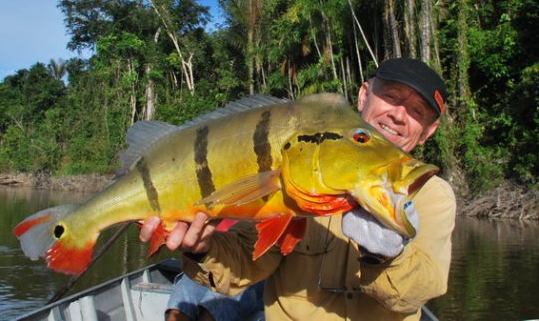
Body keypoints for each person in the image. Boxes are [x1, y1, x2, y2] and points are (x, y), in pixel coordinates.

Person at [141, 58, 456, 320]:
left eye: (417, 112)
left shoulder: (432, 195)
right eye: (392, 96)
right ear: (363, 96)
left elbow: (419, 292)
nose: (399, 115)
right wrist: (201, 248)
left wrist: (385, 257)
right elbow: (247, 265)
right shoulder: (301, 167)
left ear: (429, 132)